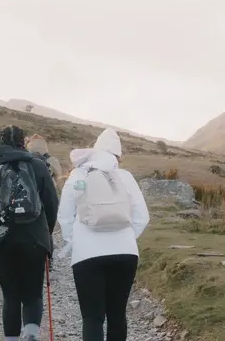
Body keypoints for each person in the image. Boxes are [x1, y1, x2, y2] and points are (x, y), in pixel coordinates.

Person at [56, 128, 150, 341]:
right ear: (117, 155)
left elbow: (65, 217)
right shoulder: (126, 177)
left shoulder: (78, 175)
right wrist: (125, 238)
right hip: (126, 254)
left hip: (87, 255)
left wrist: (75, 240)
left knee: (92, 317)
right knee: (117, 314)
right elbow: (142, 217)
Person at [0, 125, 59, 341]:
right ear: (23, 142)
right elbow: (52, 205)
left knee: (11, 294)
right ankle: (30, 334)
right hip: (34, 238)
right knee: (32, 293)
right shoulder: (38, 166)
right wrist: (46, 233)